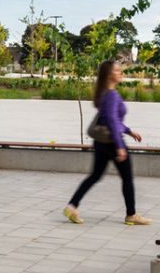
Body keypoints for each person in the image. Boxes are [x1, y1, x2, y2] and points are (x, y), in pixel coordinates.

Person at [64, 60, 151, 226]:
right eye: (118, 70)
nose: (121, 73)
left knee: (95, 175)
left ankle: (72, 206)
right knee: (127, 178)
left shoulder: (104, 94)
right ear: (109, 75)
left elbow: (110, 120)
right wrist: (120, 147)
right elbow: (111, 121)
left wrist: (129, 131)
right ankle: (131, 214)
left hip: (101, 142)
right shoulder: (111, 95)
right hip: (112, 142)